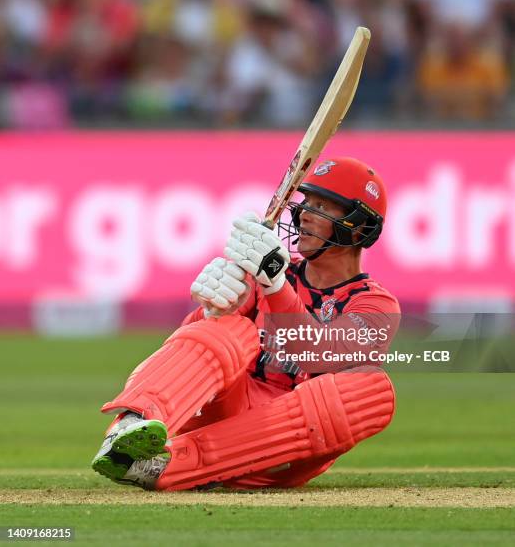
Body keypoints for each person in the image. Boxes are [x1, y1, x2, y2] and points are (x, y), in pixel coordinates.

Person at [91, 156, 400, 490]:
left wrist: (277, 287)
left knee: (371, 389)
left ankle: (167, 464)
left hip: (285, 443)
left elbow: (323, 356)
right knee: (226, 328)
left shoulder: (376, 304)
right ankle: (131, 426)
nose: (305, 213)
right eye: (306, 202)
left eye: (322, 206)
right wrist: (212, 311)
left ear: (359, 227)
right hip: (227, 412)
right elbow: (195, 348)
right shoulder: (268, 275)